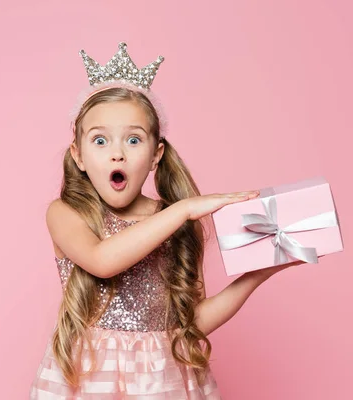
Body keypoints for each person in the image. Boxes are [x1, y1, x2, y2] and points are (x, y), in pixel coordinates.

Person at [29, 42, 301, 399]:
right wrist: (182, 210)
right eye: (99, 140)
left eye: (133, 139)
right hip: (90, 379)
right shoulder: (66, 213)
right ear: (78, 155)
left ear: (156, 153)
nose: (117, 152)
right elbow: (102, 260)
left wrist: (257, 275)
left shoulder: (173, 224)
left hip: (163, 382)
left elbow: (191, 324)